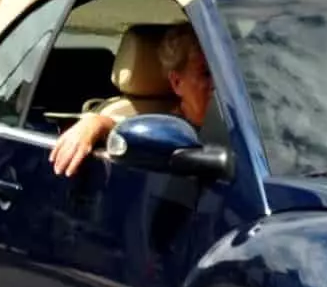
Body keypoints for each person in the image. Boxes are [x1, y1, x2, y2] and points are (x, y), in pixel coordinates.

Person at [50, 23, 215, 176]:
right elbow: (129, 131)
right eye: (206, 73)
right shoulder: (169, 128)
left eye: (223, 75)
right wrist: (95, 123)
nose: (218, 84)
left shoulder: (237, 115)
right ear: (177, 82)